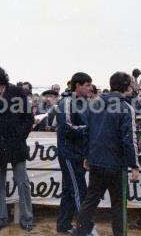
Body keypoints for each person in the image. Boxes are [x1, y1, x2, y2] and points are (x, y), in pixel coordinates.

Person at [72, 72, 140, 236]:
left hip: (96, 161)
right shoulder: (125, 108)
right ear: (127, 86)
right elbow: (128, 139)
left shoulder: (95, 104)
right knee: (118, 205)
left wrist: (88, 156)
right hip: (116, 164)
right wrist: (134, 165)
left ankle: (79, 232)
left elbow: (88, 132)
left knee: (90, 201)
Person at [0, 65, 35, 232]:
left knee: (22, 182)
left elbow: (28, 118)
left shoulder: (17, 92)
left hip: (16, 145)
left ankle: (27, 218)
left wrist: (20, 135)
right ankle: (0, 217)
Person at [55, 72, 92, 234]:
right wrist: (91, 130)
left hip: (79, 153)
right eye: (87, 85)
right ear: (77, 85)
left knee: (70, 190)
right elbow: (67, 127)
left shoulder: (85, 102)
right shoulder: (67, 102)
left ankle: (63, 225)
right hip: (69, 154)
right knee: (79, 190)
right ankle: (86, 228)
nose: (90, 88)